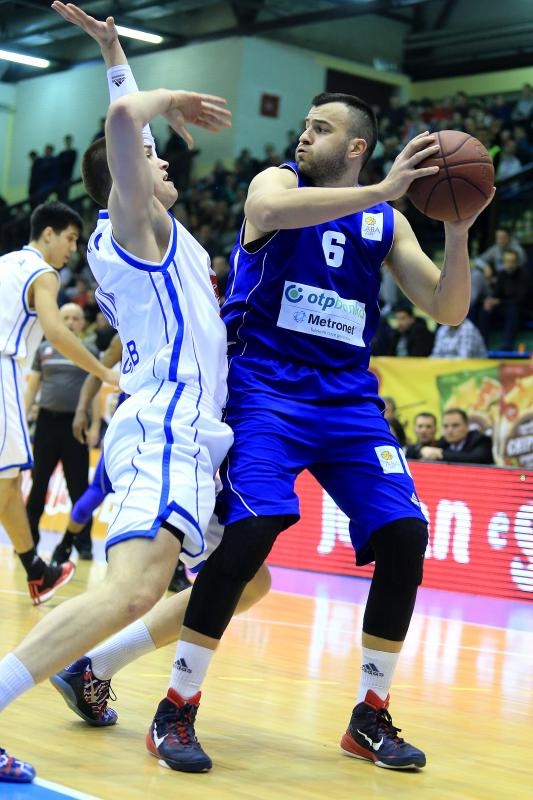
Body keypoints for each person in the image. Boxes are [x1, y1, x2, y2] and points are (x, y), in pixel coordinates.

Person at [131, 92, 493, 773]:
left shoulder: (384, 223)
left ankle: (370, 715)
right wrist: (385, 187)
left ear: (354, 147)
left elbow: (446, 308)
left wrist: (456, 229)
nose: (303, 137)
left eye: (319, 129)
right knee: (251, 528)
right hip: (265, 387)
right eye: (304, 126)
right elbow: (265, 214)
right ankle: (175, 706)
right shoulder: (276, 183)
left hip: (347, 400)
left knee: (405, 535)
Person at [0, 1, 267, 783]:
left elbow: (130, 124)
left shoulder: (168, 232)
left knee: (245, 577)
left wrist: (116, 51)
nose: (164, 161)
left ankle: (90, 669)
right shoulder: (129, 228)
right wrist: (155, 96)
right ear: (121, 183)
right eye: (152, 161)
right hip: (163, 424)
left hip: (198, 431)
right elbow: (124, 123)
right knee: (131, 586)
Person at [0, 200, 118, 783]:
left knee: (9, 491)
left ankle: (37, 567)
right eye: (69, 238)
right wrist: (105, 372)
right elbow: (51, 328)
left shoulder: (3, 264)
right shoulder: (40, 274)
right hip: (1, 372)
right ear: (46, 235)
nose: (72, 249)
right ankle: (38, 566)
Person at [50, 333, 192, 593]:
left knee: (176, 493)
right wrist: (82, 410)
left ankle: (176, 568)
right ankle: (65, 544)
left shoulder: (188, 327)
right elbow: (97, 373)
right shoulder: (125, 333)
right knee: (98, 490)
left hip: (171, 419)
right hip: (131, 421)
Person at [24, 302, 100, 556]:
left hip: (75, 427)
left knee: (79, 486)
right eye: (65, 317)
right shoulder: (44, 349)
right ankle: (29, 538)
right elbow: (33, 386)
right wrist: (25, 417)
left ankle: (84, 544)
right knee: (38, 485)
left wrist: (96, 424)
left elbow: (96, 392)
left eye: (75, 318)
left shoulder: (89, 351)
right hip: (46, 423)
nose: (69, 322)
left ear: (82, 323)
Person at [416, 408, 494, 464]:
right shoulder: (443, 441)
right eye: (446, 426)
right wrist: (422, 451)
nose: (449, 430)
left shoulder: (481, 440)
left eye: (455, 425)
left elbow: (474, 459)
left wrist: (441, 454)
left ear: (467, 426)